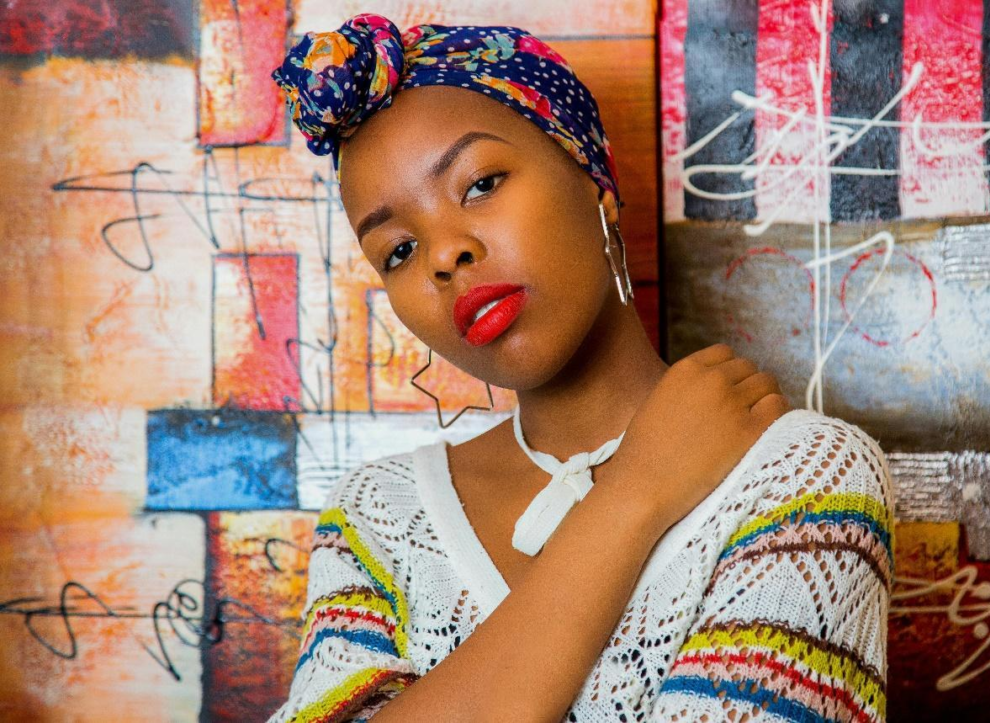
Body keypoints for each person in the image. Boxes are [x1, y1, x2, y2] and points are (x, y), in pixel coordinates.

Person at [267, 14, 896, 723]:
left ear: (595, 181)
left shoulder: (803, 473)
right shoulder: (372, 519)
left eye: (479, 183)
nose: (444, 254)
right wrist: (633, 495)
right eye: (399, 251)